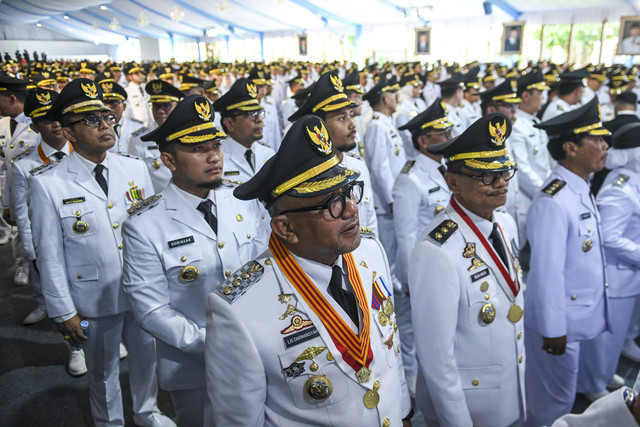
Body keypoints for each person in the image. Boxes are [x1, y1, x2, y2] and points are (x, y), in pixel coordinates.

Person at [204, 114, 412, 426]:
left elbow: (390, 356)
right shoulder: (239, 312)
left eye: (348, 192)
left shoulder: (370, 253)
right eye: (332, 204)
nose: (352, 209)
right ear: (285, 227)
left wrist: (405, 413)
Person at [28, 78, 174, 427]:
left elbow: (153, 228)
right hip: (92, 296)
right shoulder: (48, 182)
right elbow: (49, 255)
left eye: (107, 117)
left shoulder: (133, 167)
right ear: (68, 131)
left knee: (146, 359)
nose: (105, 125)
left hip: (141, 288)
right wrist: (63, 310)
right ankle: (109, 422)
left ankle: (146, 411)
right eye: (91, 120)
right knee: (104, 369)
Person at [121, 94, 267, 427]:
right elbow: (152, 311)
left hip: (263, 348)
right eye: (198, 150)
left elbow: (267, 266)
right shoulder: (144, 226)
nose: (214, 156)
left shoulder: (243, 199)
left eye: (215, 145)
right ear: (169, 161)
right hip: (195, 364)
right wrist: (216, 345)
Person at [409, 113, 525, 426]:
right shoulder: (436, 251)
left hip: (508, 387)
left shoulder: (505, 223)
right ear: (453, 181)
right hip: (470, 407)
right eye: (486, 176)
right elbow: (437, 359)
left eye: (504, 171)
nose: (500, 183)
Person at [524, 97, 610, 426]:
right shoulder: (554, 200)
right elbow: (546, 274)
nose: (605, 146)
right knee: (552, 404)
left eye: (605, 139)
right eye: (597, 140)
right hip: (560, 325)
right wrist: (552, 328)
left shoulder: (580, 187)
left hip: (577, 319)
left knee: (565, 398)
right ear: (571, 148)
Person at [12, 87, 87, 379]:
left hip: (84, 240)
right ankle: (76, 348)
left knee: (94, 295)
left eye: (59, 117)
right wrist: (33, 254)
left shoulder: (85, 155)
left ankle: (104, 337)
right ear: (34, 126)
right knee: (65, 301)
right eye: (46, 119)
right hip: (51, 247)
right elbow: (22, 213)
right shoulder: (25, 165)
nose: (55, 124)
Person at [575, 123, 640, 404]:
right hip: (616, 275)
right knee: (605, 337)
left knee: (617, 334)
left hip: (629, 273)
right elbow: (609, 237)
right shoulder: (619, 189)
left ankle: (604, 372)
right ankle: (592, 382)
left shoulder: (631, 179)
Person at [392, 98, 453, 396]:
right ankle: (410, 375)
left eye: (449, 132)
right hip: (420, 267)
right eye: (443, 134)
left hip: (444, 263)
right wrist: (409, 279)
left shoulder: (444, 168)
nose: (449, 138)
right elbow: (404, 235)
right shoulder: (411, 179)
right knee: (411, 323)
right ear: (423, 140)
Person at [289, 70, 378, 234]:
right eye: (342, 118)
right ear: (319, 128)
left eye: (350, 115)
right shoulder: (304, 178)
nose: (352, 125)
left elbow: (371, 229)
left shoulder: (358, 167)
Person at [362, 76, 405, 286]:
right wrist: (391, 199)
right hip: (385, 201)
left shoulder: (386, 123)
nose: (397, 98)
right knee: (387, 249)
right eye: (393, 95)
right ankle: (386, 286)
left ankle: (393, 280)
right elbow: (379, 168)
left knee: (394, 247)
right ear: (386, 100)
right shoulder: (377, 126)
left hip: (393, 198)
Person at [0, 75, 40, 284]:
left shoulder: (37, 123)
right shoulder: (2, 124)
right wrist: (6, 203)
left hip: (36, 194)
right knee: (18, 233)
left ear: (12, 99)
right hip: (15, 193)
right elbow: (5, 169)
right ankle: (21, 268)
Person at [510, 70, 552, 245]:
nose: (543, 96)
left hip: (542, 195)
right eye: (539, 92)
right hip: (527, 201)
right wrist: (546, 190)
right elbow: (522, 168)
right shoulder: (517, 125)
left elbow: (545, 161)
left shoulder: (535, 122)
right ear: (525, 95)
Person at [213, 78, 275, 184]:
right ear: (229, 123)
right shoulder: (215, 160)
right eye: (251, 114)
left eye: (259, 113)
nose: (259, 119)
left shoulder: (269, 154)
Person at [128, 79, 184, 193]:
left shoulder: (189, 134)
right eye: (156, 106)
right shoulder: (139, 140)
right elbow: (135, 178)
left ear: (177, 107)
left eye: (166, 106)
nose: (160, 111)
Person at [97, 75, 144, 154]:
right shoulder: (94, 130)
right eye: (104, 103)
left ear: (124, 106)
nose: (108, 107)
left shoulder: (138, 128)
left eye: (114, 103)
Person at [124, 62, 153, 128]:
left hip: (151, 124)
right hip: (137, 126)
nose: (140, 75)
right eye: (136, 73)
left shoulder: (147, 88)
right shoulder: (127, 91)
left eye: (141, 73)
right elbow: (127, 113)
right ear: (129, 76)